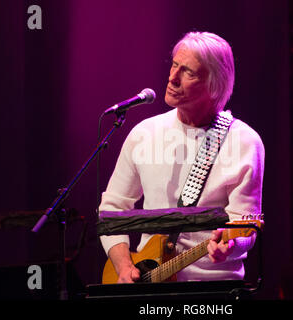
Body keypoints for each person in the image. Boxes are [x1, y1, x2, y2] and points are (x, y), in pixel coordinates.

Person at [99, 31, 264, 283]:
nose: (172, 78)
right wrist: (123, 266)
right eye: (174, 65)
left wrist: (232, 245)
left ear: (214, 84)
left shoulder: (244, 142)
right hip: (151, 282)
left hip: (214, 290)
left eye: (188, 72)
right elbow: (112, 208)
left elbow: (245, 224)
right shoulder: (144, 133)